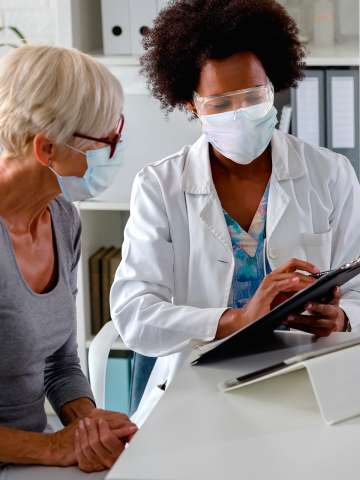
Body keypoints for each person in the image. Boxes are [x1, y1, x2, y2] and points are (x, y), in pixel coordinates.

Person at [110, 0, 360, 419]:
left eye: (252, 96)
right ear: (191, 104)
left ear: (273, 86)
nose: (240, 115)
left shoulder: (330, 174)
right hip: (198, 390)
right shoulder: (159, 187)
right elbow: (135, 315)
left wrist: (342, 319)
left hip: (313, 383)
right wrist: (235, 319)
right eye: (221, 104)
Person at [0, 45, 137, 478]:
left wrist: (86, 423)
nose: (116, 152)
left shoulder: (62, 218)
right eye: (106, 141)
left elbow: (60, 363)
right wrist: (54, 447)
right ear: (47, 149)